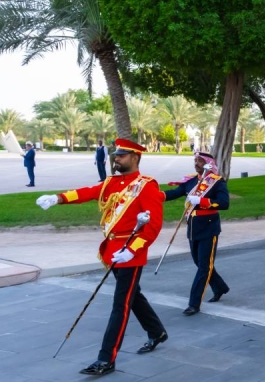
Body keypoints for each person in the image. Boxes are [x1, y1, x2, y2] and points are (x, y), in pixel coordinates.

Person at [34, 139, 167, 376]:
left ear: (135, 157)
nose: (117, 158)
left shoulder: (146, 186)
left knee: (120, 305)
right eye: (116, 155)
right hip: (112, 250)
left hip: (130, 254)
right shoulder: (111, 182)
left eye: (122, 155)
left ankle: (106, 359)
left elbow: (153, 225)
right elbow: (87, 192)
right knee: (132, 295)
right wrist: (58, 198)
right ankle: (157, 331)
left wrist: (132, 249)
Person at [163, 151, 230, 316]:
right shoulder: (191, 181)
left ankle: (194, 303)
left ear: (208, 164)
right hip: (193, 228)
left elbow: (224, 203)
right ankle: (220, 287)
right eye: (195, 160)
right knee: (200, 263)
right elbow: (174, 193)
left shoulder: (216, 182)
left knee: (204, 267)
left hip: (209, 227)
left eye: (200, 161)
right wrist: (154, 195)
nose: (196, 163)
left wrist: (202, 201)